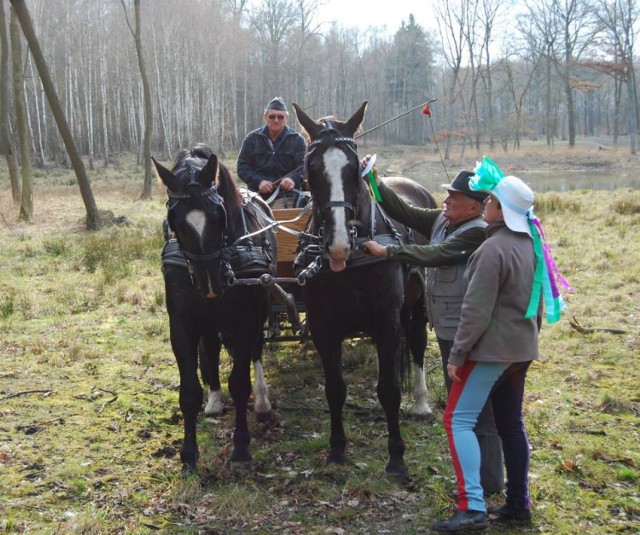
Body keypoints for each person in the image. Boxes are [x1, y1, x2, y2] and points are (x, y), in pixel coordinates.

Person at [432, 158, 568, 532]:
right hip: (520, 351)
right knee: (511, 423)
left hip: (488, 352)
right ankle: (517, 503)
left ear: (500, 210)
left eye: (489, 202)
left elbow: (474, 313)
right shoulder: (531, 243)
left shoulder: (491, 251)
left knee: (457, 420)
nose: (485, 205)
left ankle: (471, 506)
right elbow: (537, 302)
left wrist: (457, 355)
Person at [361, 159, 505, 495]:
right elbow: (404, 210)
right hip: (446, 329)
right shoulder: (444, 219)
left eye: (453, 197)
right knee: (462, 406)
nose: (445, 202)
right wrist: (374, 181)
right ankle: (472, 477)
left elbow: (437, 253)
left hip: (468, 333)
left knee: (476, 412)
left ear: (475, 206)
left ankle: (488, 483)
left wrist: (388, 251)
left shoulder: (476, 232)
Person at [237, 97, 307, 209]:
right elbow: (242, 167)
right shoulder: (251, 138)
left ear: (286, 118)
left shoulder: (297, 140)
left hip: (287, 197)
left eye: (280, 117)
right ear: (265, 117)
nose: (276, 120)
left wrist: (292, 179)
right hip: (255, 196)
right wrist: (259, 181)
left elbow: (304, 167)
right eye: (272, 116)